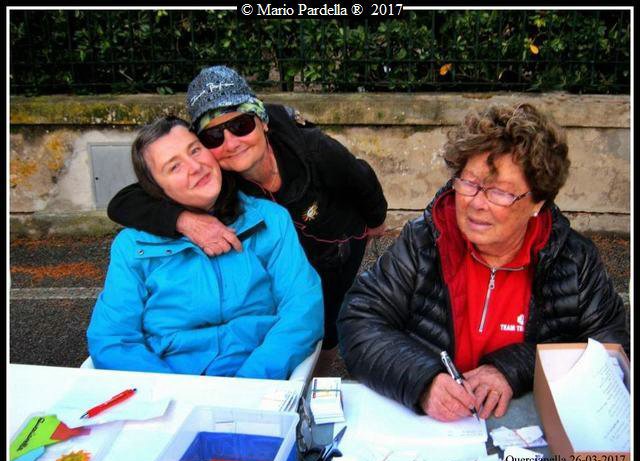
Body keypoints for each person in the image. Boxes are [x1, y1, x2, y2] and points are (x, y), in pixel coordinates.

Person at [337, 103, 629, 421]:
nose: (477, 203)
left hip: (527, 427)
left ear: (538, 202)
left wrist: (515, 367)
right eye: (470, 183)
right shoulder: (425, 241)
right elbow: (359, 321)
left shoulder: (574, 261)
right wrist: (422, 380)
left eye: (500, 192)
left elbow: (610, 351)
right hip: (433, 429)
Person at [107, 65, 388, 373]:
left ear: (262, 122)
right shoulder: (217, 173)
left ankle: (318, 372)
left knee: (327, 312)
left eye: (241, 125)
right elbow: (122, 202)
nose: (231, 142)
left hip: (338, 235)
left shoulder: (314, 150)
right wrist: (184, 220)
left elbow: (361, 178)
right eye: (214, 136)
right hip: (286, 238)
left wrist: (376, 222)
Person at [87, 116, 324, 379]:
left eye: (195, 150)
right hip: (169, 379)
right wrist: (171, 393)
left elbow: (303, 309)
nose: (195, 167)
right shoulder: (133, 246)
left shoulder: (270, 220)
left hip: (256, 373)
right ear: (156, 189)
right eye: (174, 166)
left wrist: (250, 382)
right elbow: (112, 339)